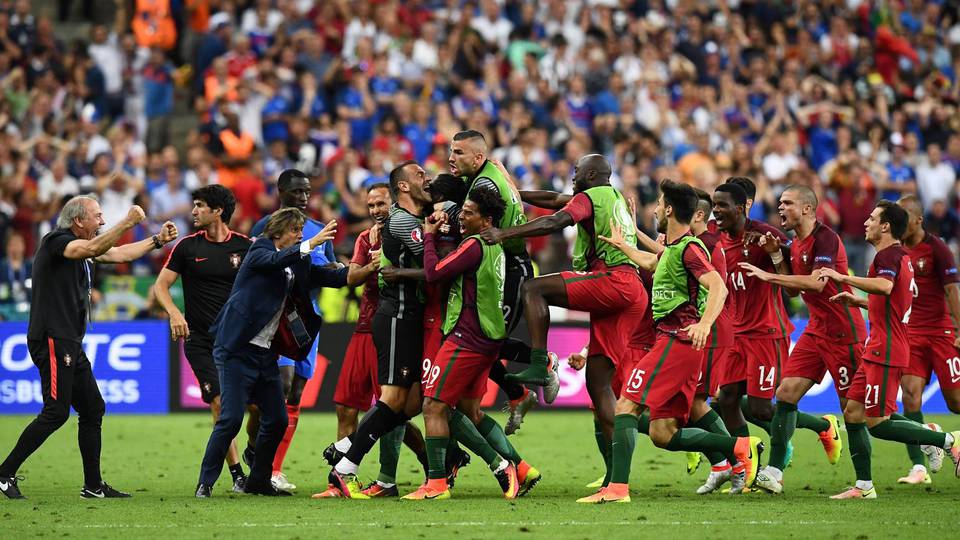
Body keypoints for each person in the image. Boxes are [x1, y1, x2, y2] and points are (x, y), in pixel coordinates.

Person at [580, 179, 761, 503]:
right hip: (675, 343)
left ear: (669, 210)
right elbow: (652, 262)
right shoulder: (674, 250)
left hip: (676, 341)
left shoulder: (690, 249)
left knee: (626, 405)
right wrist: (624, 244)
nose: (655, 209)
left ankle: (617, 488)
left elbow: (718, 286)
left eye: (660, 204)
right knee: (662, 433)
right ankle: (739, 446)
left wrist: (705, 323)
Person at [479, 154, 647, 498]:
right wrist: (514, 193)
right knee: (599, 384)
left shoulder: (591, 196)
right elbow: (556, 200)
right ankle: (617, 483)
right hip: (632, 291)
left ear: (591, 174)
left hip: (613, 280)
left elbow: (556, 219)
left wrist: (503, 233)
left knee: (533, 288)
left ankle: (540, 363)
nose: (572, 176)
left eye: (576, 171)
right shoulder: (609, 196)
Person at [0, 196, 178, 499]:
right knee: (56, 412)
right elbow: (94, 248)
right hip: (53, 337)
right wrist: (128, 221)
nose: (103, 221)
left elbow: (118, 253)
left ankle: (93, 486)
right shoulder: (57, 241)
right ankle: (5, 473)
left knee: (93, 408)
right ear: (78, 220)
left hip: (69, 340)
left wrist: (157, 241)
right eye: (97, 216)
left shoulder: (84, 248)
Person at [195, 208, 345, 498]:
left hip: (265, 352)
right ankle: (205, 482)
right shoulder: (260, 249)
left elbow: (325, 277)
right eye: (295, 230)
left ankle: (259, 481)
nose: (300, 235)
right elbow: (274, 261)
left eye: (302, 231)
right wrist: (311, 244)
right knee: (231, 419)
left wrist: (360, 270)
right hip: (237, 348)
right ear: (278, 232)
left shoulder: (296, 261)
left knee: (277, 419)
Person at [816, 201, 960, 499]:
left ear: (885, 226)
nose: (866, 223)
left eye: (872, 218)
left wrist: (842, 277)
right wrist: (860, 301)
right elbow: (894, 301)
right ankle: (863, 486)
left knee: (877, 423)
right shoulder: (899, 256)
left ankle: (946, 440)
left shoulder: (890, 255)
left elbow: (884, 287)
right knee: (853, 412)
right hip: (879, 345)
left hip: (888, 348)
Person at [405, 186, 540, 500]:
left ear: (487, 220)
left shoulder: (474, 245)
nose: (461, 217)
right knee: (470, 410)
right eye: (462, 211)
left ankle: (437, 484)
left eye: (468, 213)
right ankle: (520, 467)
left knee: (432, 406)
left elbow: (434, 273)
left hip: (466, 339)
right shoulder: (495, 246)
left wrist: (428, 237)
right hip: (487, 339)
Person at [738, 185, 865, 494]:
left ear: (807, 208)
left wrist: (768, 275)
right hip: (815, 330)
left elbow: (817, 283)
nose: (780, 208)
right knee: (785, 394)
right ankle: (774, 472)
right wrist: (775, 255)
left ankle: (934, 440)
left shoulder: (825, 239)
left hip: (843, 332)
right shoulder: (795, 243)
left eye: (788, 203)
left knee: (857, 411)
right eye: (780, 203)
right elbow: (795, 291)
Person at [324, 161, 438, 499]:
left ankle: (346, 449)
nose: (426, 178)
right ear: (403, 186)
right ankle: (347, 467)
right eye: (419, 175)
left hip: (408, 318)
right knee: (392, 400)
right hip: (397, 316)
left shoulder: (408, 220)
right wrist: (438, 236)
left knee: (411, 403)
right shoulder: (403, 222)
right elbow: (435, 266)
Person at [449, 130, 559, 427]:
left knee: (486, 341)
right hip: (498, 266)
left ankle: (543, 363)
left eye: (458, 152)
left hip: (510, 269)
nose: (451, 158)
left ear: (478, 157)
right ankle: (518, 394)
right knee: (482, 339)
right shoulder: (491, 172)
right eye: (451, 151)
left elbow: (475, 229)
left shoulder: (483, 185)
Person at [154, 185, 252, 494]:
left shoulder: (245, 246)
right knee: (220, 403)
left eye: (199, 205)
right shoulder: (187, 247)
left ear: (218, 211)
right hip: (201, 341)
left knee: (258, 409)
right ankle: (237, 473)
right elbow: (160, 285)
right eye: (193, 204)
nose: (193, 211)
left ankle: (253, 455)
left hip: (238, 341)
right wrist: (174, 313)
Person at [247, 168, 339, 492]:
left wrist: (340, 269)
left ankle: (272, 467)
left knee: (297, 392)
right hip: (277, 318)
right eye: (297, 191)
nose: (303, 197)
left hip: (307, 318)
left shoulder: (318, 229)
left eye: (307, 191)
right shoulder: (264, 226)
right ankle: (260, 457)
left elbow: (330, 268)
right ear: (281, 192)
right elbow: (255, 268)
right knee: (281, 386)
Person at [711, 182, 806, 453]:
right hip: (735, 334)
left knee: (761, 409)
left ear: (741, 208)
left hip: (766, 333)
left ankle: (808, 433)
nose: (716, 210)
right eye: (714, 205)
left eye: (722, 205)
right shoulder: (715, 236)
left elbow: (794, 272)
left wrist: (774, 251)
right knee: (726, 399)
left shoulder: (764, 234)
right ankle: (746, 458)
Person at [894, 195, 960, 484]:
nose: (898, 223)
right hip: (911, 334)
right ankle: (918, 467)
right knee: (910, 395)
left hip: (941, 334)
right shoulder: (895, 251)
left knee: (956, 402)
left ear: (918, 219)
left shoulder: (937, 249)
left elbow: (952, 291)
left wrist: (959, 330)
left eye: (903, 218)